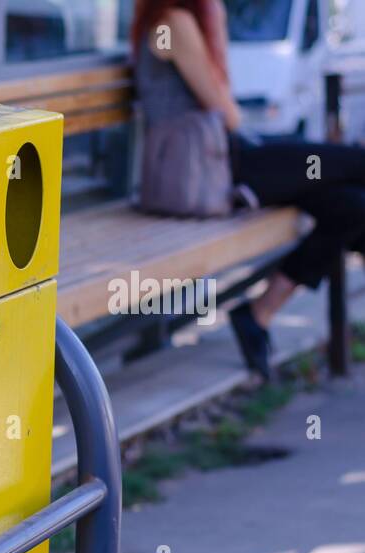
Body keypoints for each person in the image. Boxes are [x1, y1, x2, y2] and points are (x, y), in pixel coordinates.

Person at [131, 0, 365, 380]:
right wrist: (216, 21)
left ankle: (259, 314)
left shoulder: (174, 20)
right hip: (214, 171)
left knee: (353, 206)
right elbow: (229, 113)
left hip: (220, 162)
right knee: (356, 165)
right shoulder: (173, 23)